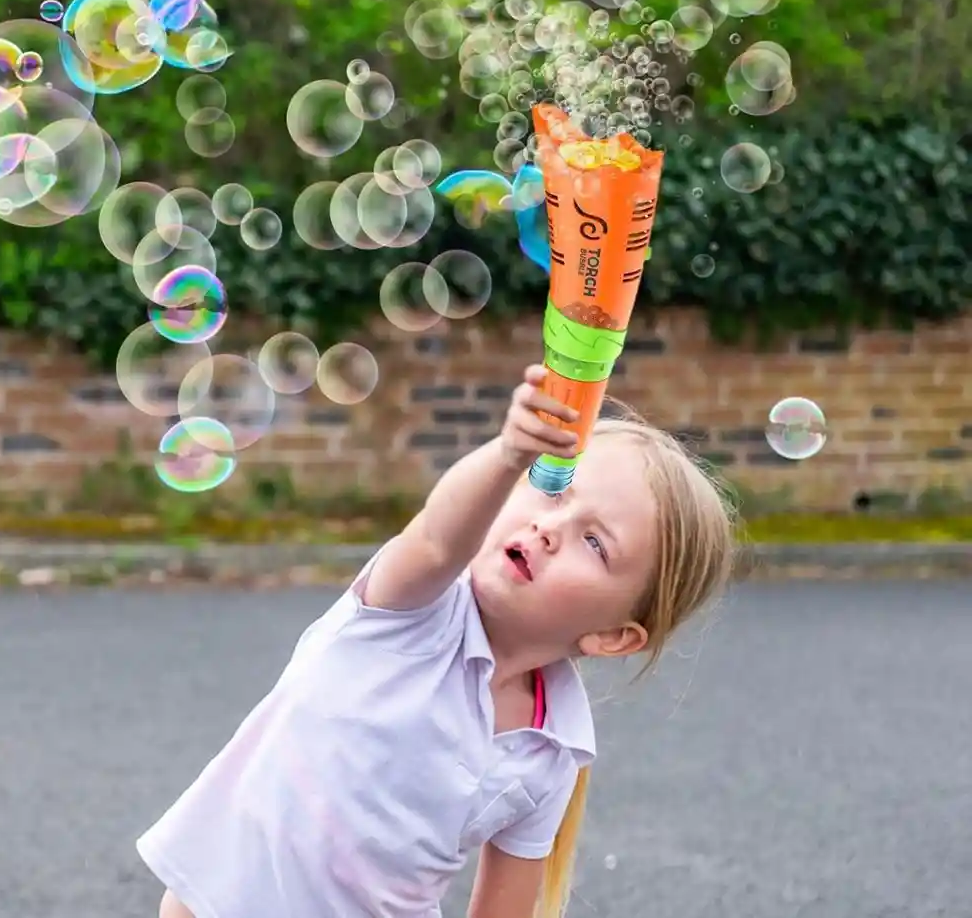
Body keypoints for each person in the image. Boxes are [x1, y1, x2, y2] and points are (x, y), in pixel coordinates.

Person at [137, 364, 737, 918]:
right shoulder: (416, 608)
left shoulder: (551, 752)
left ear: (612, 635)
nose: (549, 527)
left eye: (596, 543)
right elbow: (436, 538)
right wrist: (508, 455)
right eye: (553, 488)